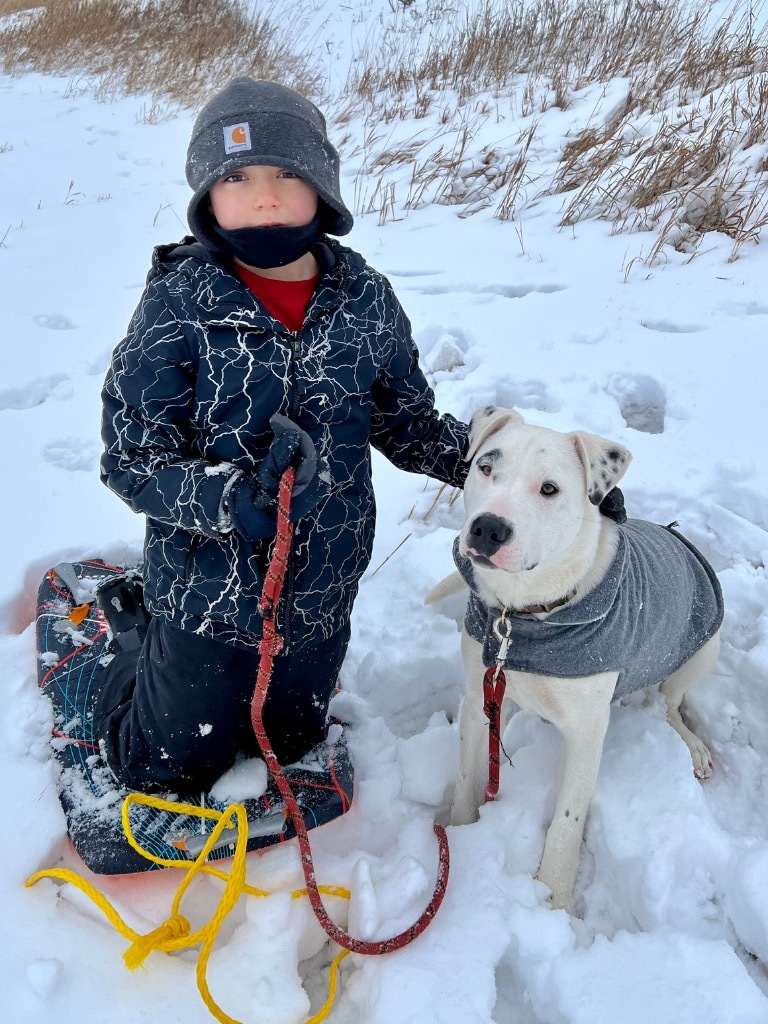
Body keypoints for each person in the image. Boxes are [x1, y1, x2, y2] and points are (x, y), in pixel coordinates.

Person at [94, 77, 470, 794]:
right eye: (236, 176)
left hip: (321, 593)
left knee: (289, 744)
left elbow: (410, 425)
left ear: (321, 189)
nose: (263, 195)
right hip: (206, 594)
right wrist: (232, 499)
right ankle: (131, 649)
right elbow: (133, 459)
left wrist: (513, 472)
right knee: (167, 767)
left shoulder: (365, 300)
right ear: (207, 196)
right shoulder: (180, 304)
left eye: (285, 174)